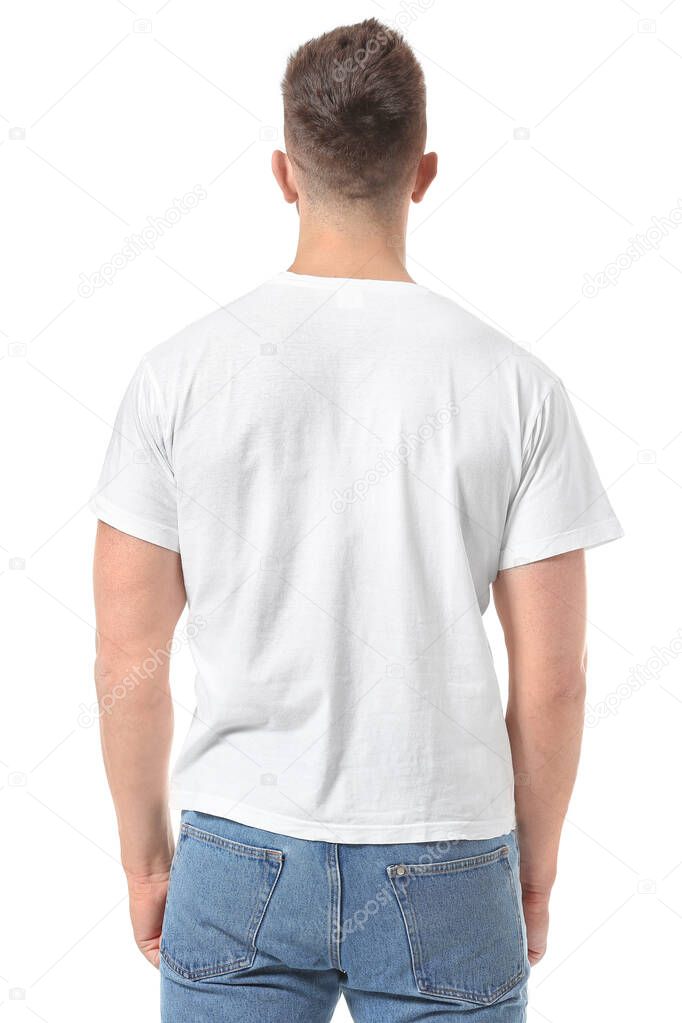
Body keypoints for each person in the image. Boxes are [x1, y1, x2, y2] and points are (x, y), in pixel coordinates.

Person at [91, 18, 623, 1022]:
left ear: (283, 173)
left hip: (237, 850)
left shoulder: (176, 377)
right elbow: (554, 678)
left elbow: (126, 662)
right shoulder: (516, 387)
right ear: (421, 172)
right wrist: (536, 869)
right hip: (448, 853)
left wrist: (146, 857)